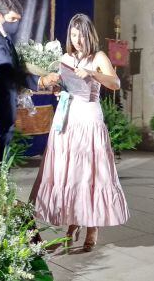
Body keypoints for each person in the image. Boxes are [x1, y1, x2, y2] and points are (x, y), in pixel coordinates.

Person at [31, 13, 130, 252]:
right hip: (67, 116)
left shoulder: (99, 57)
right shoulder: (65, 57)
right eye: (72, 35)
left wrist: (93, 73)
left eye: (80, 35)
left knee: (89, 173)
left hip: (88, 117)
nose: (76, 40)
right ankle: (73, 223)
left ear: (88, 34)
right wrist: (51, 83)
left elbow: (115, 83)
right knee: (70, 173)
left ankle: (92, 226)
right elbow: (55, 84)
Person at [0, 0, 59, 160]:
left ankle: (1, 176)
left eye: (18, 20)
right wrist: (41, 80)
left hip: (6, 99)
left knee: (6, 138)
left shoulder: (4, 37)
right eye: (12, 19)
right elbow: (8, 71)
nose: (15, 24)